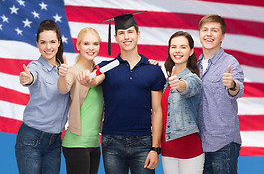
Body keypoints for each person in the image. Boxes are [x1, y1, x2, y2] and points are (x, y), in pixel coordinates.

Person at [78, 13, 166, 174]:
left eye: (130, 32)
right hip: (112, 142)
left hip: (144, 142)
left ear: (138, 34)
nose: (126, 37)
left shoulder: (153, 70)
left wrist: (155, 148)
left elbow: (158, 110)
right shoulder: (106, 67)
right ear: (116, 37)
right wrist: (87, 79)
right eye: (121, 33)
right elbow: (95, 80)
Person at [15, 20, 70, 174]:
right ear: (37, 44)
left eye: (52, 42)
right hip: (31, 139)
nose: (48, 47)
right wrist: (28, 78)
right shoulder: (35, 67)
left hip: (55, 142)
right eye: (43, 42)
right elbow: (31, 76)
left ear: (59, 42)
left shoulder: (64, 69)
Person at [197, 14, 244, 174]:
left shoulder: (230, 63)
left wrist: (232, 85)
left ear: (222, 36)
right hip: (198, 145)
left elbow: (238, 89)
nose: (209, 34)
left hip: (223, 144)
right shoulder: (195, 65)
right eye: (205, 30)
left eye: (214, 30)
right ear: (199, 33)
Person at [57, 27, 104, 174]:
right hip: (76, 144)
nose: (91, 48)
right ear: (78, 45)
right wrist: (63, 76)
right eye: (86, 44)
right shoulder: (71, 71)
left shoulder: (100, 73)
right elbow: (63, 88)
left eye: (95, 44)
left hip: (95, 144)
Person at [161, 31, 204, 174]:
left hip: (189, 150)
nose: (177, 51)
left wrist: (178, 84)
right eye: (173, 47)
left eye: (183, 47)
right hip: (168, 150)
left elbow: (187, 87)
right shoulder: (166, 82)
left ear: (191, 51)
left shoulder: (193, 78)